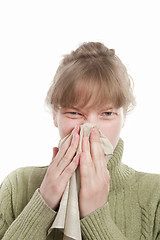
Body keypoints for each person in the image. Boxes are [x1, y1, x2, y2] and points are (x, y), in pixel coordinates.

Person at [0, 42, 160, 240]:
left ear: (124, 116)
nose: (91, 128)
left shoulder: (155, 195)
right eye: (75, 113)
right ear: (54, 116)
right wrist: (43, 203)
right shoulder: (16, 186)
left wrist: (96, 216)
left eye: (107, 113)